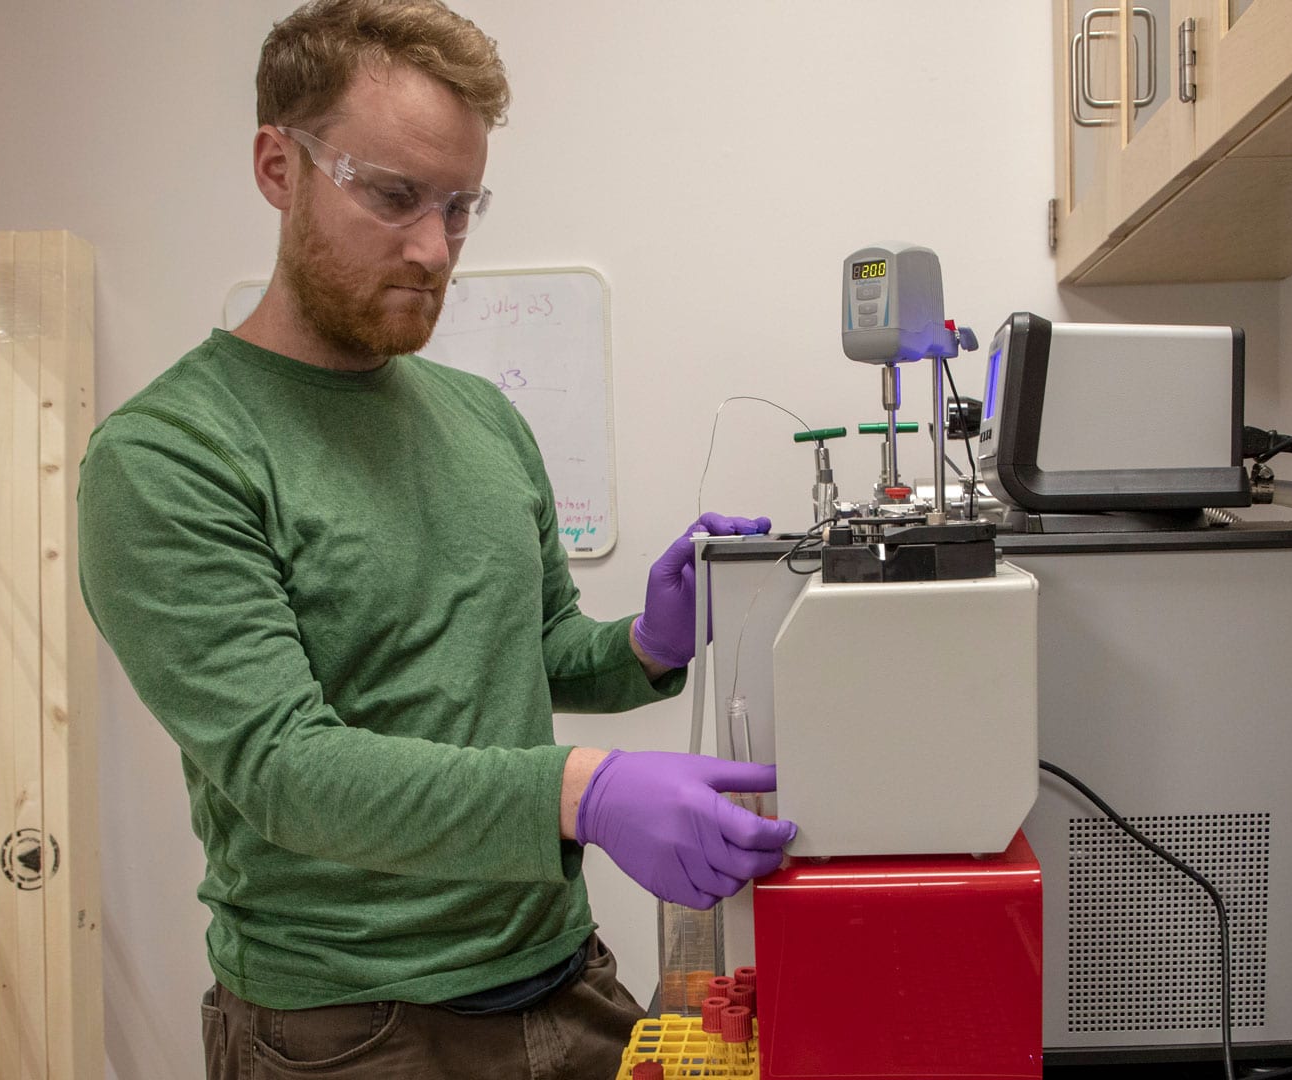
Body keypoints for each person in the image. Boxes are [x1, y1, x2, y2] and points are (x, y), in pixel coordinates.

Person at [76, 2, 795, 1076]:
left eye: (462, 206)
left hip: (566, 980)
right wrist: (583, 792)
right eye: (394, 195)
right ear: (280, 165)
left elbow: (536, 647)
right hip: (355, 1032)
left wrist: (645, 643)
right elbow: (285, 769)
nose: (434, 247)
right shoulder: (172, 456)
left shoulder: (479, 415)